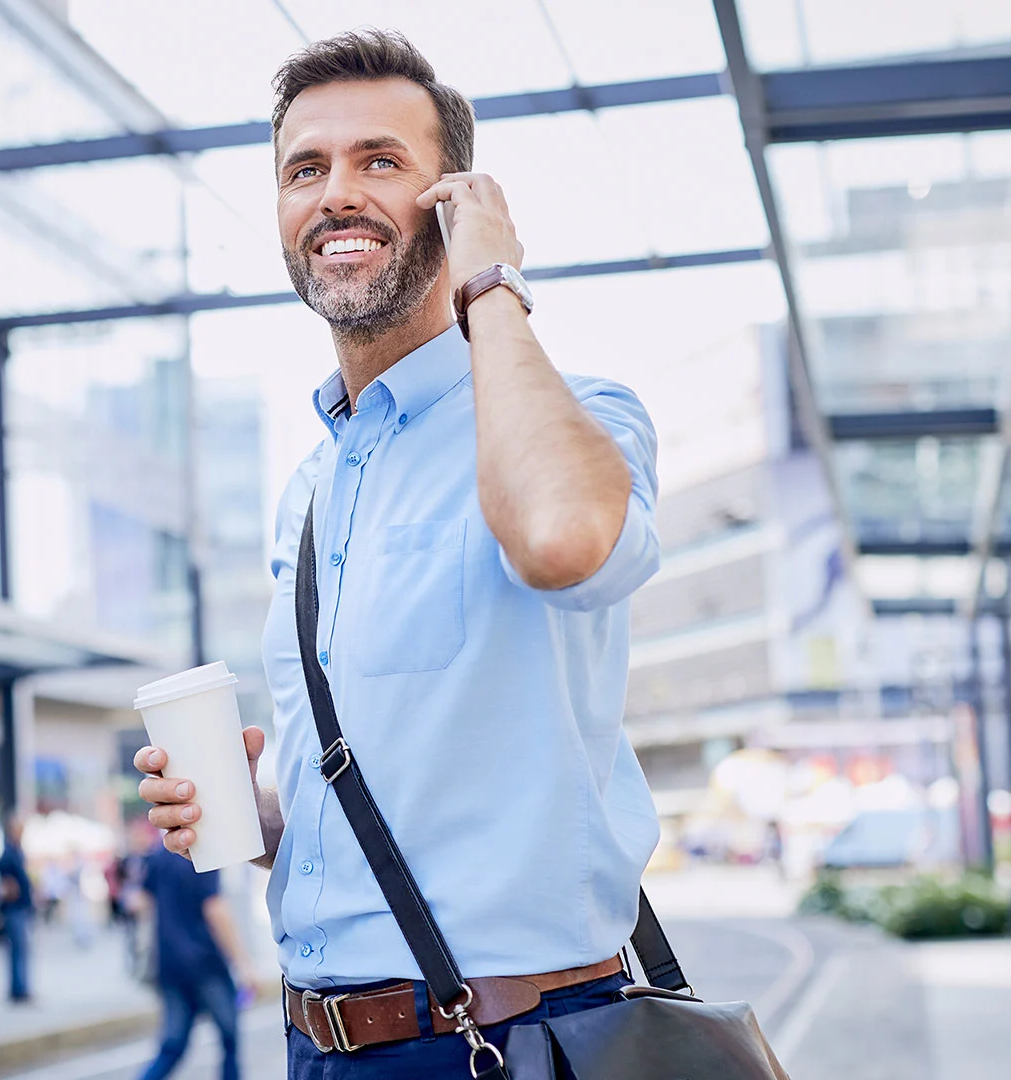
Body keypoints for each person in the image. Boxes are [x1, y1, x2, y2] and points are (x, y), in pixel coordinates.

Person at [134, 29, 662, 1078]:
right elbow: (403, 785)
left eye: (381, 161)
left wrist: (491, 283)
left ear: (453, 198)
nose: (337, 193)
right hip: (319, 1046)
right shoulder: (312, 489)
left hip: (504, 1043)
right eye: (305, 170)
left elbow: (563, 540)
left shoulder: (582, 417)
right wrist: (269, 815)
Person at [133, 845, 249, 1080]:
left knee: (173, 1044)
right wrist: (244, 964)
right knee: (229, 1038)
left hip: (170, 963)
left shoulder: (158, 855)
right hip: (205, 963)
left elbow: (139, 903)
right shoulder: (205, 853)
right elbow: (215, 910)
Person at [0, 814, 35, 1003]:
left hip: (20, 907)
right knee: (19, 949)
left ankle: (20, 988)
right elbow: (3, 872)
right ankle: (19, 990)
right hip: (14, 908)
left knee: (20, 950)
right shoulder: (9, 853)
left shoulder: (16, 851)